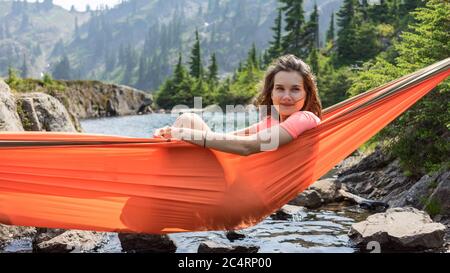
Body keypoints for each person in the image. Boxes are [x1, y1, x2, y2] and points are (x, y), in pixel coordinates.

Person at [153, 54, 322, 156]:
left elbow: (246, 146)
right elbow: (228, 136)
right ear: (271, 93)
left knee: (186, 127)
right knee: (188, 119)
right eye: (279, 89)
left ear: (307, 93)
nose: (286, 96)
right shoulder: (271, 122)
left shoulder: (304, 118)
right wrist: (173, 133)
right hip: (241, 178)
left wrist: (182, 133)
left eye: (295, 89)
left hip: (250, 189)